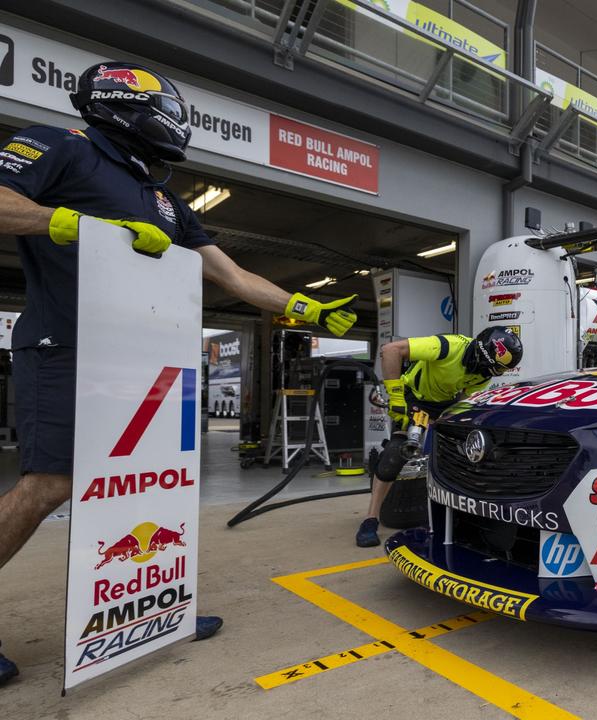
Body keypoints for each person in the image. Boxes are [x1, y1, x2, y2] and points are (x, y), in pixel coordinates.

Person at [0, 61, 359, 685]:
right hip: (67, 349)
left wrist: (301, 306)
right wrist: (69, 222)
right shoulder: (61, 146)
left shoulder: (164, 197)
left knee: (150, 485)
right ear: (122, 105)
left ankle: (153, 611)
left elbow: (232, 276)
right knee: (50, 486)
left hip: (146, 364)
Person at [357, 327, 522, 547]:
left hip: (443, 404)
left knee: (463, 457)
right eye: (490, 366)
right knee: (393, 457)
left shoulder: (483, 373)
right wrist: (395, 396)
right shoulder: (448, 346)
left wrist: (447, 420)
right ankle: (370, 520)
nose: (490, 372)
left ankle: (458, 516)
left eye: (497, 369)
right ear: (480, 354)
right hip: (412, 396)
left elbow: (463, 399)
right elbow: (390, 350)